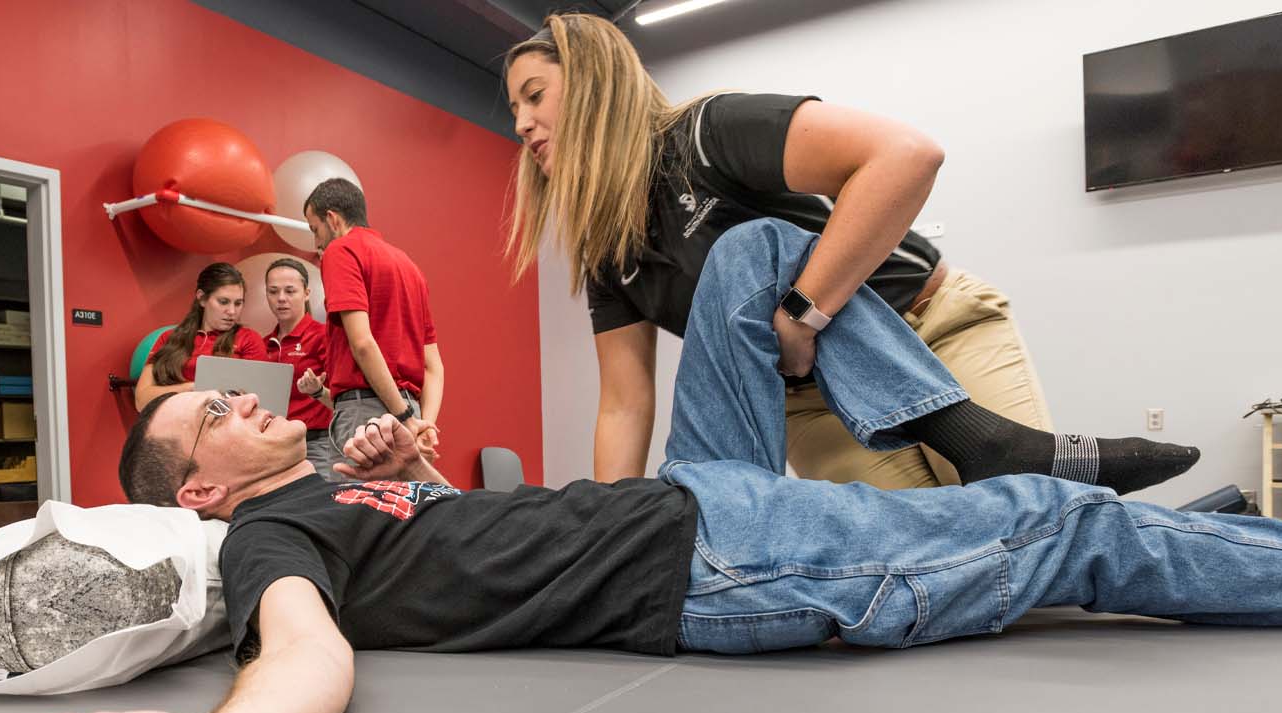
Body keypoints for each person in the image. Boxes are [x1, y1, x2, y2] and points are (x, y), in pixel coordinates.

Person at [38, 220, 1282, 713]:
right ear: (198, 493)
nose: (240, 394)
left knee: (759, 254)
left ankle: (1017, 455)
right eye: (210, 410)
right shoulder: (264, 540)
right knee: (1055, 531)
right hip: (718, 559)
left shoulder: (342, 482)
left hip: (692, 495)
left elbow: (467, 542)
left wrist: (425, 470)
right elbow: (297, 654)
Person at [501, 13, 1191, 491]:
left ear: (592, 83)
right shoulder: (604, 250)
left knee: (1032, 515)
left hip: (931, 326)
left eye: (535, 96)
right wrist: (613, 529)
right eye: (513, 111)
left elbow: (906, 155)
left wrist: (803, 315)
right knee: (940, 558)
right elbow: (624, 404)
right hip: (810, 402)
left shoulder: (707, 135)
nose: (523, 124)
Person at [302, 177, 445, 477]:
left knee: (357, 518)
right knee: (403, 516)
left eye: (315, 229)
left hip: (371, 417)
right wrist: (422, 425)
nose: (316, 243)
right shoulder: (409, 265)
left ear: (333, 219)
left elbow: (363, 343)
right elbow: (433, 366)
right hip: (409, 412)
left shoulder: (341, 251)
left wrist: (404, 417)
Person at [134, 263, 268, 411]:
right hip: (175, 425)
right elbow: (142, 401)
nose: (232, 311)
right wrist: (193, 388)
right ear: (202, 298)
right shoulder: (169, 338)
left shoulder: (249, 339)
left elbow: (260, 403)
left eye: (238, 303)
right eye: (223, 302)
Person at [260, 256, 340, 477]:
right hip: (271, 448)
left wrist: (317, 390)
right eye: (273, 291)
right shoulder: (262, 343)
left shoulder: (323, 335)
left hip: (315, 446)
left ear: (306, 293)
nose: (281, 299)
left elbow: (343, 400)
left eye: (290, 291)